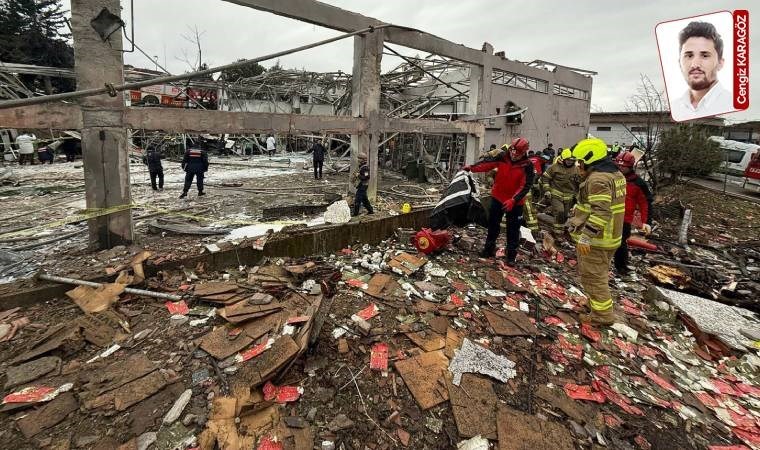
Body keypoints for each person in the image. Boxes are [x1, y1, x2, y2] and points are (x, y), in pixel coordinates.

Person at [566, 138, 626, 325]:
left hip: (597, 239)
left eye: (580, 162)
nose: (578, 166)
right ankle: (594, 304)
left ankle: (601, 316)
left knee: (593, 277)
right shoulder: (615, 175)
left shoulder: (597, 180)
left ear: (590, 160)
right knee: (597, 274)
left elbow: (602, 211)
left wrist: (586, 236)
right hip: (611, 237)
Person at [464, 137, 534, 266]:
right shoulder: (503, 156)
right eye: (513, 152)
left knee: (513, 229)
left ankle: (511, 256)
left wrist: (513, 200)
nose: (514, 156)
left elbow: (525, 186)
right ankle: (488, 249)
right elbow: (487, 164)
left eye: (517, 154)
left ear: (524, 153)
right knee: (493, 225)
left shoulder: (528, 166)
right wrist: (472, 168)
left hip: (515, 203)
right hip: (498, 197)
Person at [670, 21, 733, 121]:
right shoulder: (673, 107)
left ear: (720, 63)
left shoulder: (732, 104)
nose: (695, 64)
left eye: (704, 55)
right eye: (689, 55)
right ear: (679, 63)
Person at [613, 152, 653, 275]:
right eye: (619, 166)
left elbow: (645, 203)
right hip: (608, 215)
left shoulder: (638, 183)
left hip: (625, 218)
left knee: (621, 243)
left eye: (623, 167)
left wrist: (646, 222)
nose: (621, 169)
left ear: (630, 167)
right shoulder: (611, 177)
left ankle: (621, 267)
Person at [541, 148, 580, 237]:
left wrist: (578, 197)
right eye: (568, 160)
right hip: (555, 195)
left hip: (569, 198)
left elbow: (579, 184)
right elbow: (545, 178)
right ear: (563, 159)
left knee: (565, 216)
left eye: (572, 160)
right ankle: (557, 234)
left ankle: (559, 231)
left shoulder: (576, 169)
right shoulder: (554, 167)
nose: (570, 162)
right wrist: (547, 190)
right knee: (560, 212)